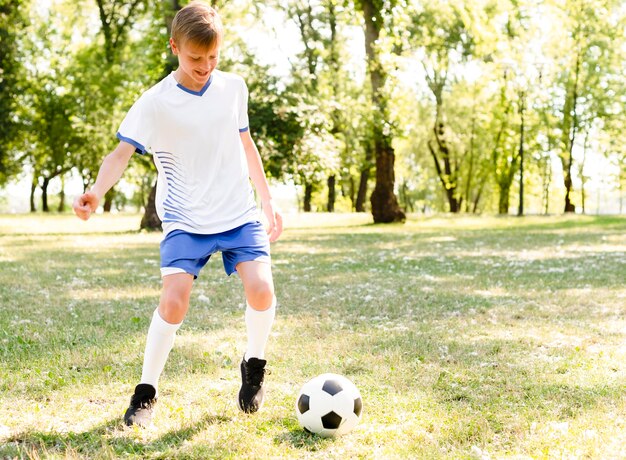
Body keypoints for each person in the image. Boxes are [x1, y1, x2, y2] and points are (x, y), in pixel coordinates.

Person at [73, 1, 283, 427]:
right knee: (173, 302)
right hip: (186, 219)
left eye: (212, 57)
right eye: (194, 57)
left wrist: (268, 200)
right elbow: (120, 154)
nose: (205, 65)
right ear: (175, 47)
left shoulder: (234, 88)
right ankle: (146, 392)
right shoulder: (156, 102)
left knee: (261, 290)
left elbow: (246, 145)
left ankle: (254, 364)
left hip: (238, 212)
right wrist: (96, 191)